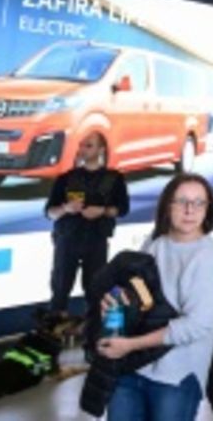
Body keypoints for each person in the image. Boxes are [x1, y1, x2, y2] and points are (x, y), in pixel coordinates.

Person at [98, 174, 213, 421]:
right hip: (134, 367)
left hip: (176, 375)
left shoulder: (207, 256)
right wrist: (115, 303)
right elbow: (137, 294)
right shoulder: (154, 243)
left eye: (199, 203)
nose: (190, 210)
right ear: (168, 205)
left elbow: (196, 325)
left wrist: (131, 345)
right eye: (182, 201)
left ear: (207, 210)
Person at [45, 134, 129, 316]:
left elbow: (122, 209)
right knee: (60, 290)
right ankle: (55, 332)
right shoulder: (65, 179)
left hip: (96, 241)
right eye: (81, 145)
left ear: (101, 150)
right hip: (67, 240)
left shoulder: (114, 179)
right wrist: (66, 208)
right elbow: (50, 212)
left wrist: (103, 211)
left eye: (89, 146)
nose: (83, 149)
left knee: (96, 292)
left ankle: (92, 334)